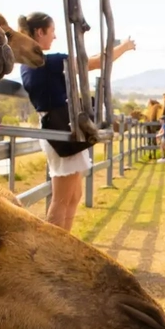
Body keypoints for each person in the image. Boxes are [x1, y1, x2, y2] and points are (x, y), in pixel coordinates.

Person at [18, 12, 136, 230]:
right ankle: (55, 249)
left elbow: (85, 60)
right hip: (60, 129)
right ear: (39, 32)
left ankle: (65, 244)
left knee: (73, 195)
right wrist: (125, 47)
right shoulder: (45, 63)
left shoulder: (35, 64)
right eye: (52, 32)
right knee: (62, 198)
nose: (54, 37)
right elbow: (93, 62)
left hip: (60, 127)